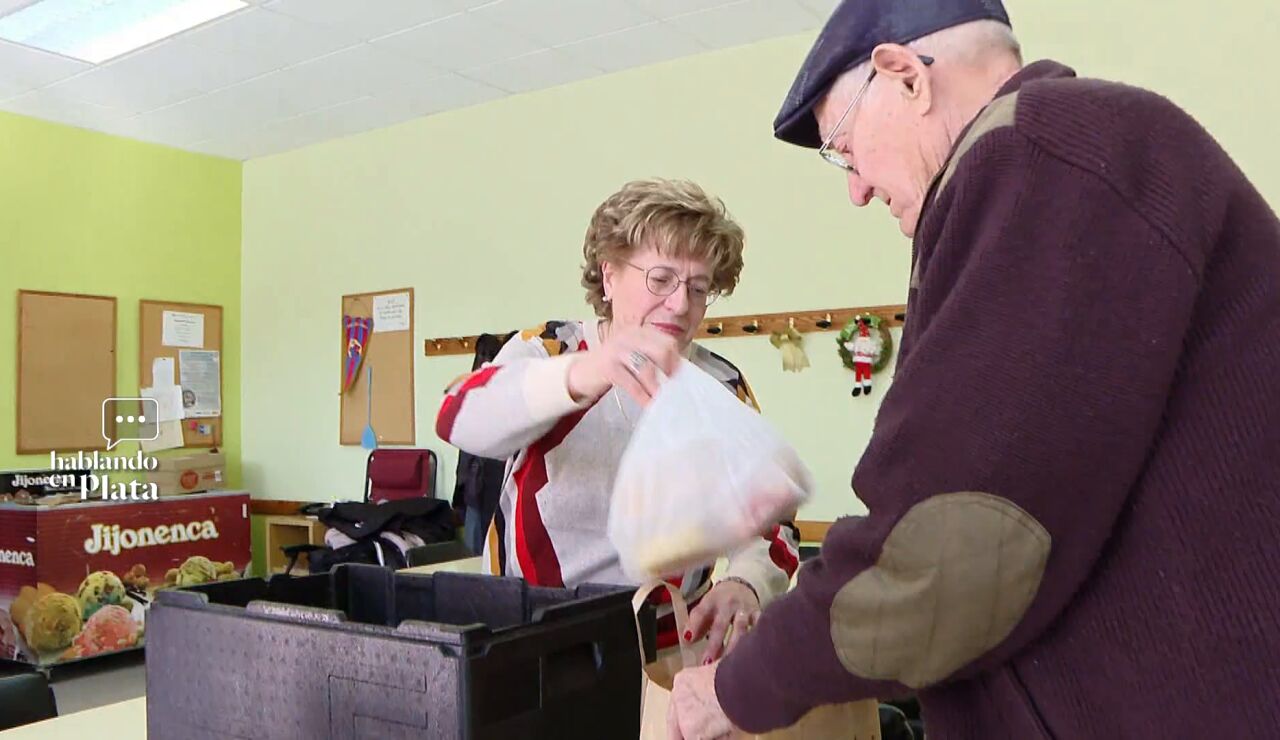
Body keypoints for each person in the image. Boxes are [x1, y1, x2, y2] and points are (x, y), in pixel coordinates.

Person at [668, 1, 1280, 738]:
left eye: (843, 146)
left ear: (903, 77)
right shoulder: (1061, 160)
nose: (855, 187)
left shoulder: (1037, 152)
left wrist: (738, 689)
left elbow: (946, 544)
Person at [436, 178, 800, 657]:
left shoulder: (720, 386)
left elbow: (770, 523)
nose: (680, 304)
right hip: (533, 640)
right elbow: (458, 416)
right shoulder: (549, 349)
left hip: (668, 649)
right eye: (661, 279)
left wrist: (746, 583)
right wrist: (585, 373)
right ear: (609, 275)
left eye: (698, 287)